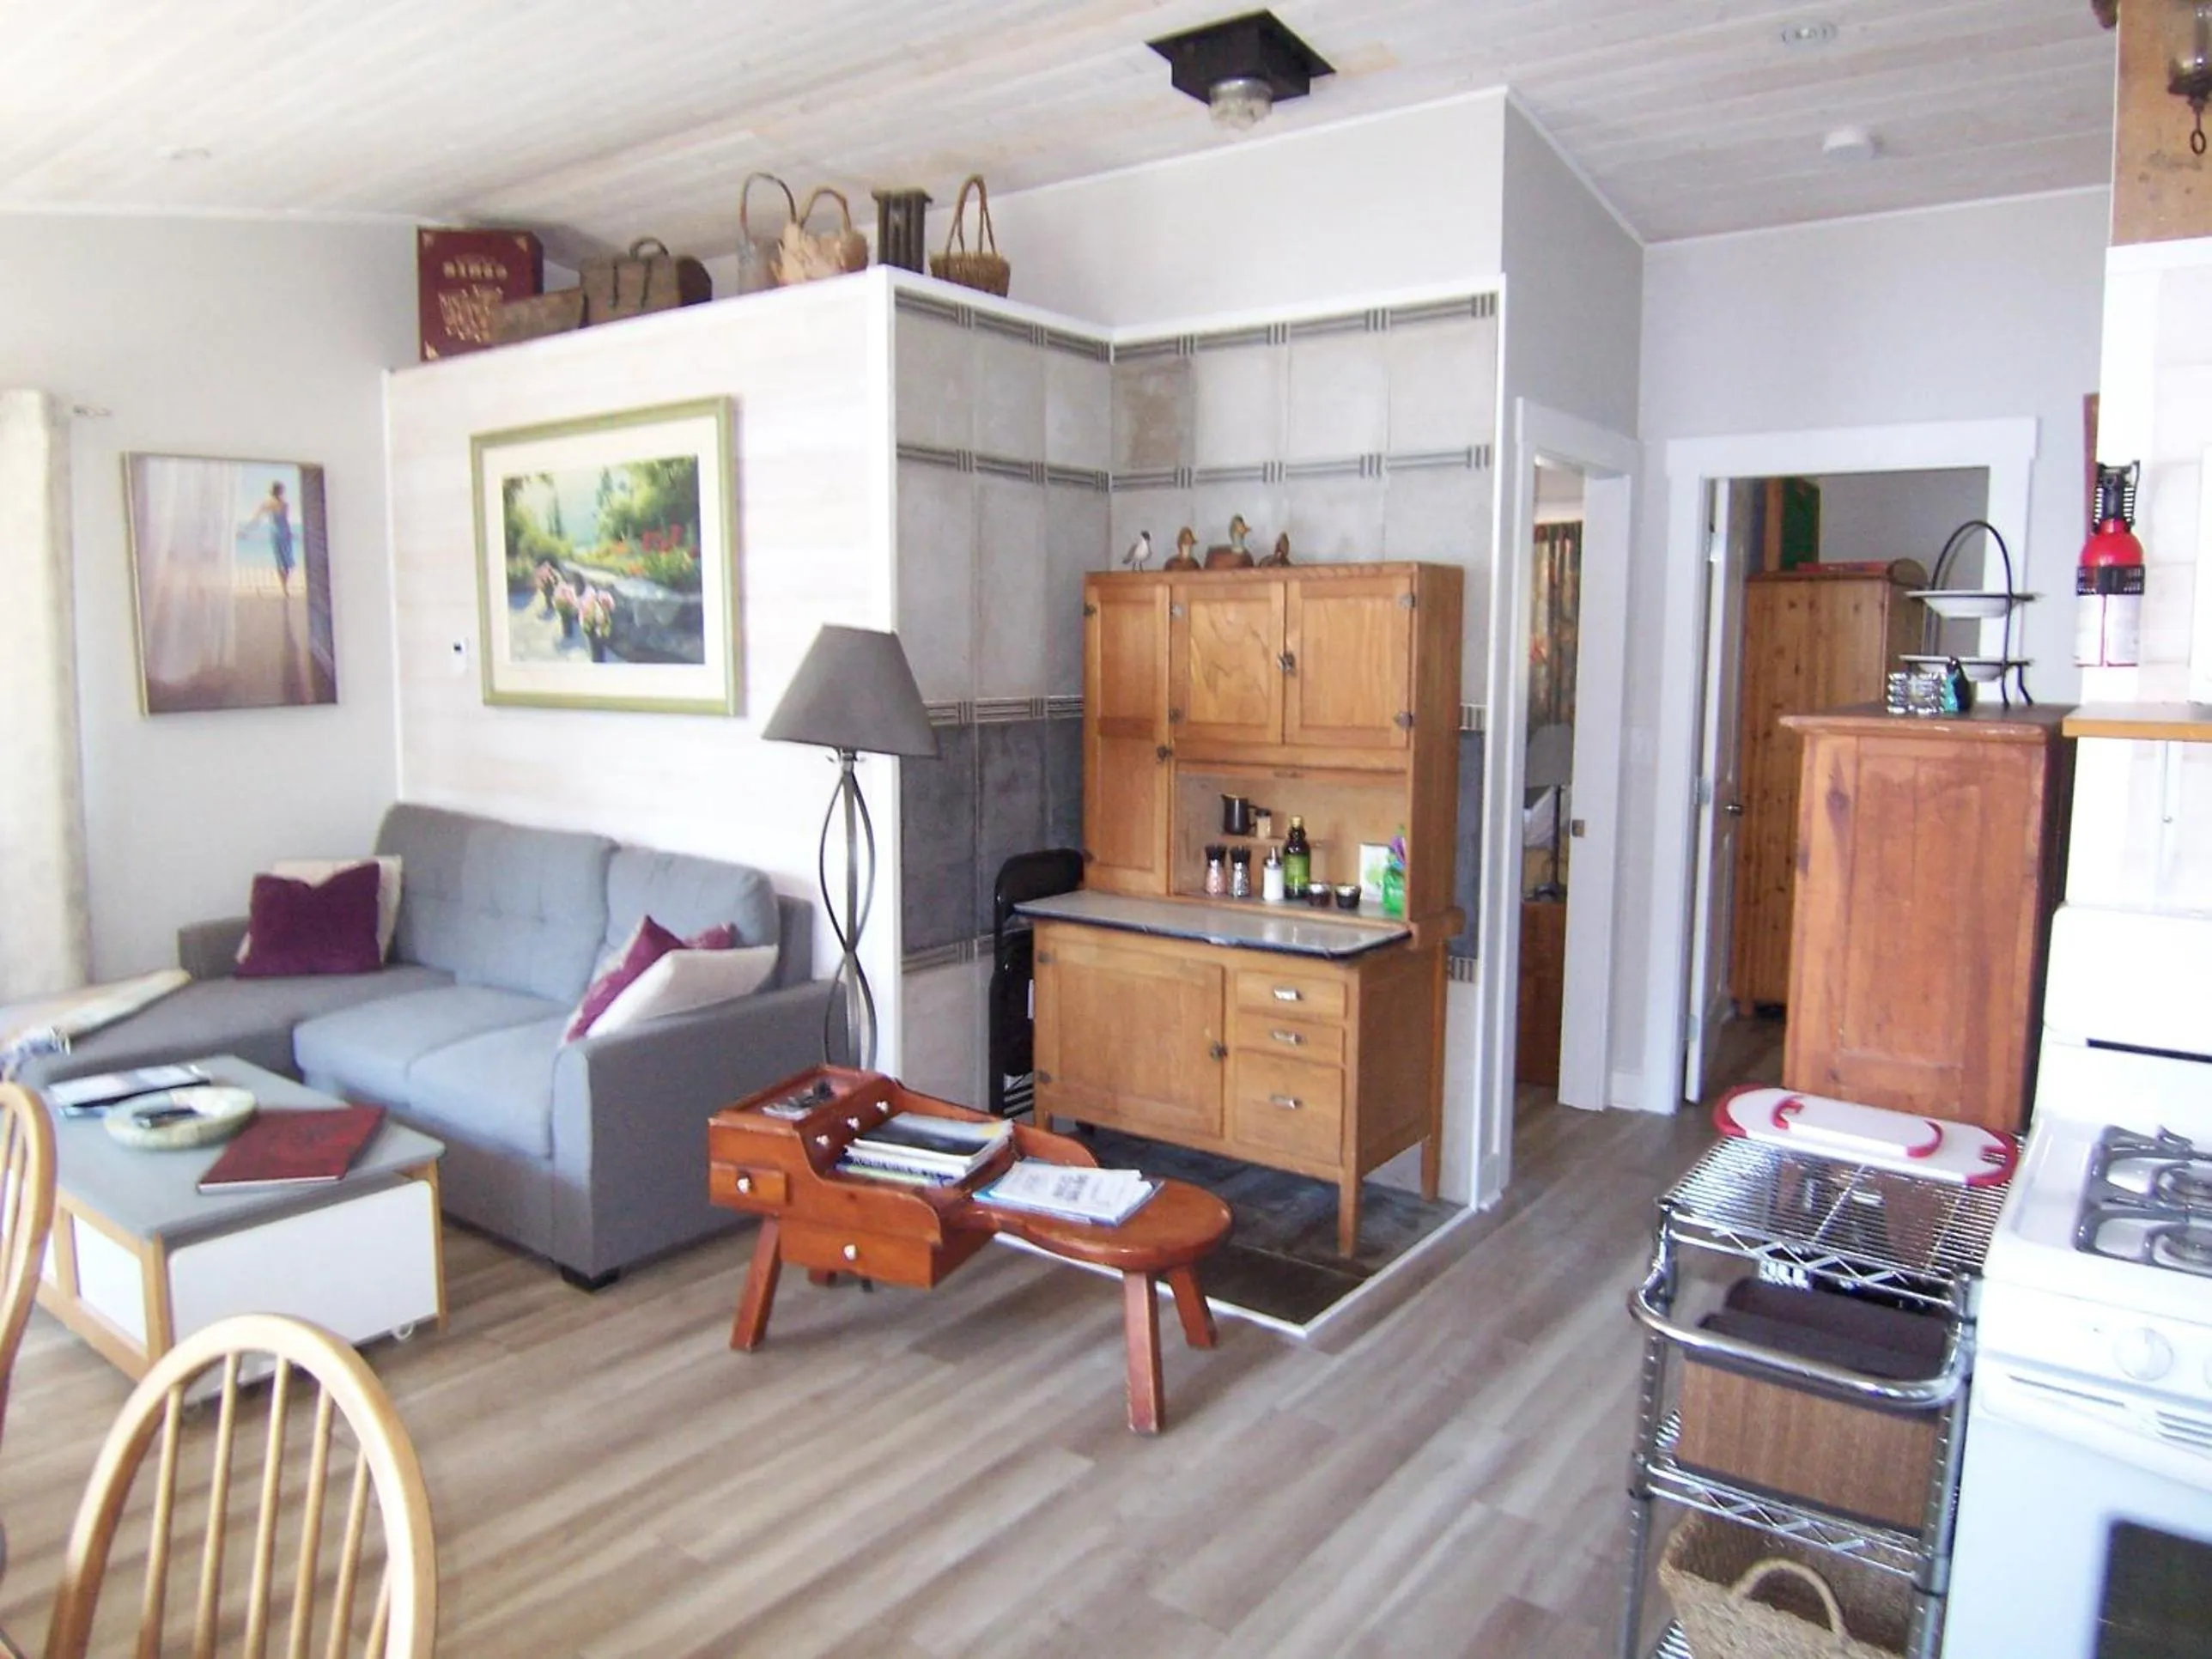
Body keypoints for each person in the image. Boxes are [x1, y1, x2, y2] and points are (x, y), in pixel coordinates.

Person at [246, 479, 295, 592]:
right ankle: (285, 587)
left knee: (282, 562)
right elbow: (285, 521)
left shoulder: (274, 504)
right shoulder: (281, 504)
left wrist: (247, 529)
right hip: (282, 532)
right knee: (286, 562)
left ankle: (284, 587)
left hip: (278, 532)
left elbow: (257, 519)